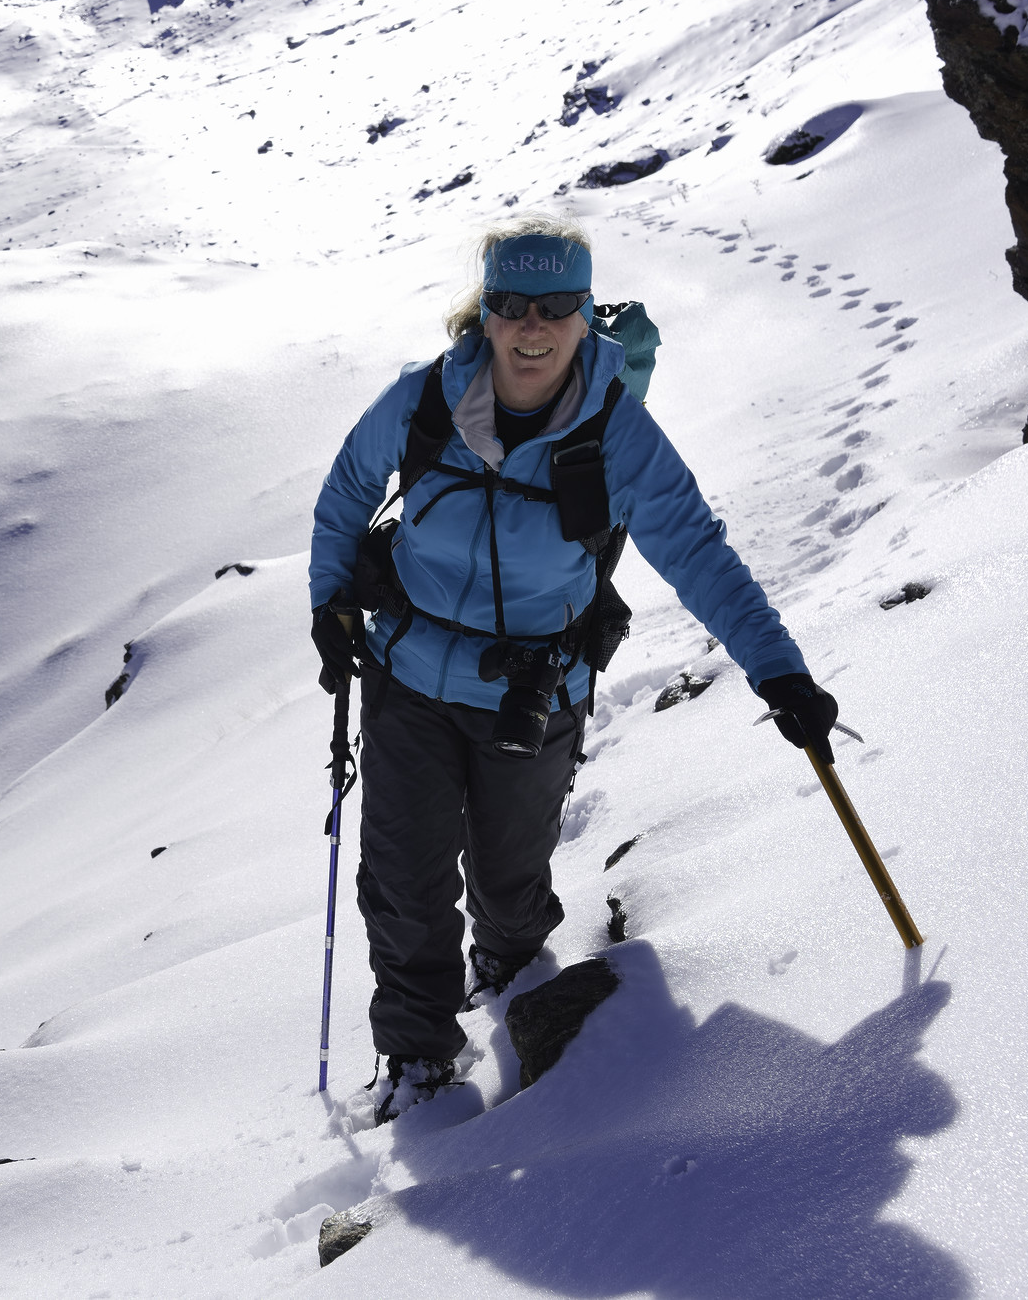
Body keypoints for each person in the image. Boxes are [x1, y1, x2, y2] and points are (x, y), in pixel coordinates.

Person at [307, 215, 838, 1122]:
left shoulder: (619, 434)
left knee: (509, 885)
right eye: (513, 302)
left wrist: (778, 671)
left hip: (534, 690)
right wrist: (330, 602)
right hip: (408, 676)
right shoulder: (424, 401)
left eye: (556, 305)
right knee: (401, 883)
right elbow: (348, 491)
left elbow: (700, 554)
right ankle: (418, 1058)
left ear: (585, 314)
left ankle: (511, 974)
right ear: (486, 311)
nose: (533, 325)